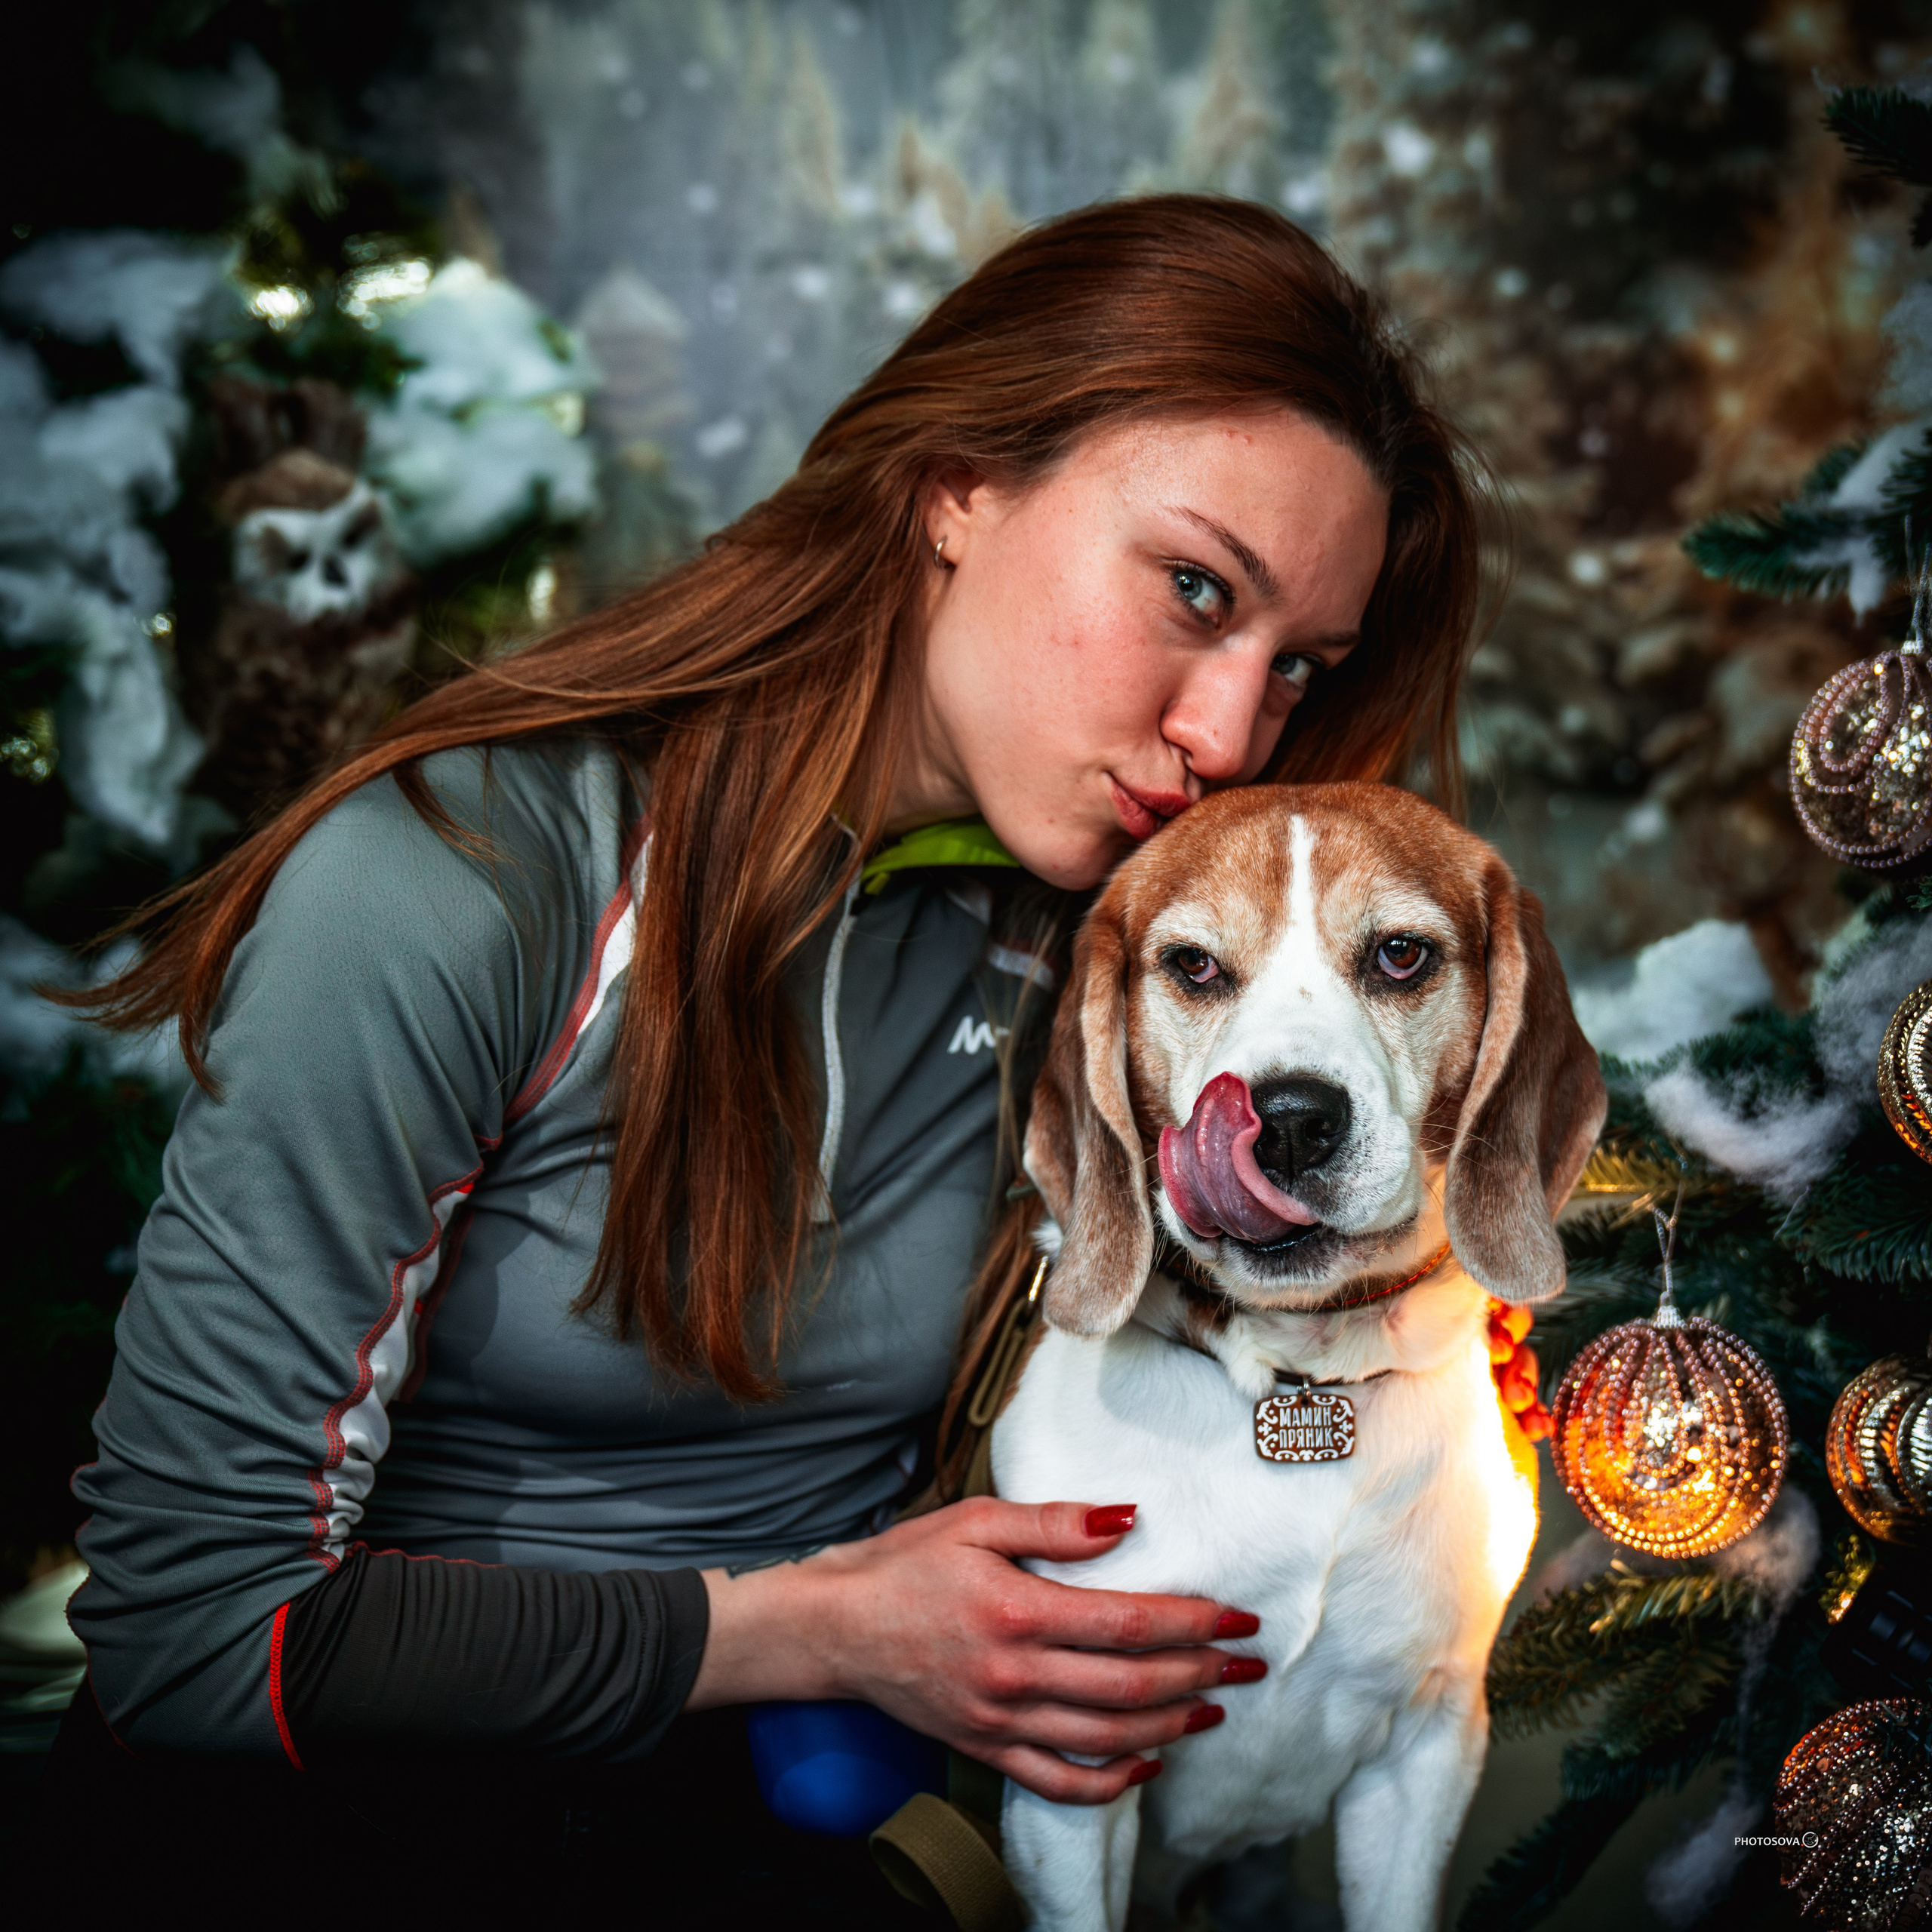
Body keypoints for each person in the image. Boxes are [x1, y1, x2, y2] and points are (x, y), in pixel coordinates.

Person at [34, 195, 1477, 1921]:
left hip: (797, 1821)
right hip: (338, 1831)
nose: (1229, 729)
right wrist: (825, 1626)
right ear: (955, 484)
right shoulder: (459, 880)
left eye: (1294, 665)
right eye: (1191, 589)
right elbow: (193, 1626)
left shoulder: (1112, 957)